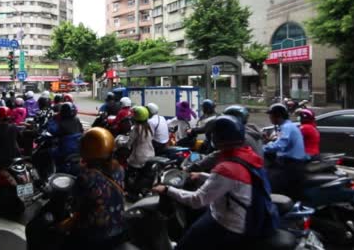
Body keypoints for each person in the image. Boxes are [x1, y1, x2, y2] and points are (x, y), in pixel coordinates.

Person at [152, 116, 272, 250]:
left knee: (186, 244)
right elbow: (231, 182)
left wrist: (167, 190)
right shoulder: (245, 154)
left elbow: (197, 200)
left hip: (229, 224)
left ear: (217, 137)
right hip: (244, 215)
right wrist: (201, 175)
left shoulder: (226, 167)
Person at [26, 127, 125, 249]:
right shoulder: (119, 169)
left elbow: (76, 206)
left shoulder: (87, 177)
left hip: (94, 234)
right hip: (118, 228)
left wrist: (62, 226)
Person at [263, 103, 307, 197]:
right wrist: (268, 143)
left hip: (291, 164)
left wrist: (262, 149)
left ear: (277, 116)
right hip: (290, 162)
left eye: (271, 115)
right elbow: (279, 142)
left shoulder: (286, 127)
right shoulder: (286, 126)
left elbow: (280, 145)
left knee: (271, 182)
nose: (269, 118)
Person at [48, 102, 83, 174]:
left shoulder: (61, 123)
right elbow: (81, 130)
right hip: (79, 148)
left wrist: (52, 120)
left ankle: (54, 172)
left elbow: (52, 130)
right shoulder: (76, 119)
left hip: (65, 150)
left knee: (49, 152)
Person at [126, 106, 155, 171]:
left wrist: (125, 144)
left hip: (139, 157)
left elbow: (129, 142)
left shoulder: (136, 128)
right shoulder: (148, 127)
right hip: (151, 154)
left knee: (128, 163)